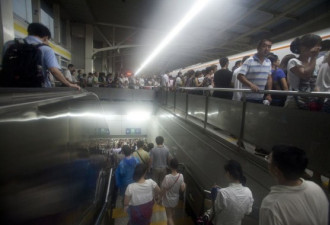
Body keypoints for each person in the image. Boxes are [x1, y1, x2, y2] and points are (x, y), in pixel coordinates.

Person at [260, 145, 328, 225]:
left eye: (268, 159)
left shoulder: (271, 206)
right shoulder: (315, 188)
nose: (267, 159)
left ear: (276, 170)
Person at [1, 23, 80, 90]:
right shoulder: (46, 49)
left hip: (10, 88)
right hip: (37, 90)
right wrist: (69, 84)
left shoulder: (9, 44)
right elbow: (54, 70)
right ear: (45, 37)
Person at [206, 160, 253, 225]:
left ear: (228, 173)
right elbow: (248, 211)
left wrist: (214, 194)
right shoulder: (248, 192)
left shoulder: (223, 193)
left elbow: (215, 211)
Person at [285, 34, 322, 110]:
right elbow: (306, 75)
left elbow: (315, 83)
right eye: (315, 46)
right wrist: (314, 56)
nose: (318, 49)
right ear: (303, 48)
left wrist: (319, 97)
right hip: (295, 103)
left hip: (311, 102)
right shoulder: (293, 61)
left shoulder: (313, 63)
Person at [238, 39, 272, 103]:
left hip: (260, 97)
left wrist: (269, 94)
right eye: (264, 46)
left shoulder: (268, 62)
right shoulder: (249, 60)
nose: (267, 49)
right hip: (247, 98)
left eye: (269, 47)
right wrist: (251, 85)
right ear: (258, 48)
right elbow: (240, 76)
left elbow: (269, 78)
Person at [161, 158, 186, 225]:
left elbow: (163, 190)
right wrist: (184, 185)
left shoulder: (167, 177)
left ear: (170, 166)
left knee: (169, 217)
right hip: (175, 199)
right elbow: (182, 189)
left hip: (167, 199)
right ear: (177, 166)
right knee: (172, 215)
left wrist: (160, 198)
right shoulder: (181, 176)